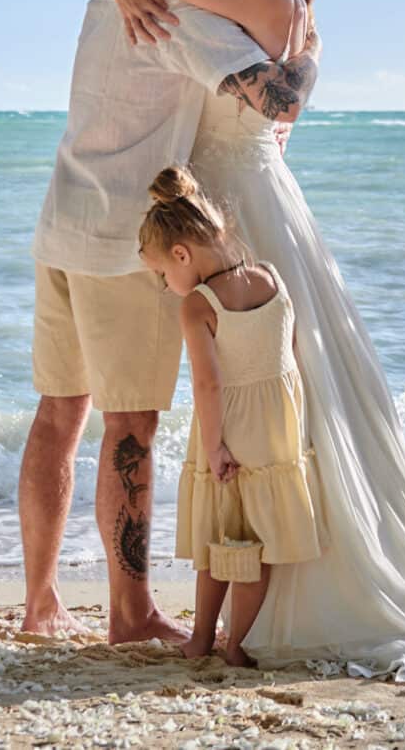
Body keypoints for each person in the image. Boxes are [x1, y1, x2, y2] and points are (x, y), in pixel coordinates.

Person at [101, 0, 405, 679]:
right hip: (247, 189)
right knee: (290, 387)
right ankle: (259, 580)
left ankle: (292, 592)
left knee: (274, 389)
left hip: (242, 205)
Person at [19, 0, 319, 643]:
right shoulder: (179, 6)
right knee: (131, 428)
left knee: (58, 414)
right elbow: (273, 94)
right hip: (125, 242)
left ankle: (40, 601)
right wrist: (309, 55)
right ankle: (129, 614)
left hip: (61, 217)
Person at [138, 165, 323, 666]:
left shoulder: (199, 303)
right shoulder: (271, 277)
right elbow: (285, 355)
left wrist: (215, 444)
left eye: (162, 273)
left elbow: (208, 383)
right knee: (256, 547)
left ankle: (202, 639)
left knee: (218, 539)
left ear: (182, 254)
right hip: (277, 428)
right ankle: (237, 647)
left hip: (228, 426)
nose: (165, 282)